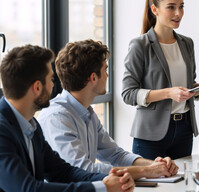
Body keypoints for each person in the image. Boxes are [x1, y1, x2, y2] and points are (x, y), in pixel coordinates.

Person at [0, 44, 134, 192]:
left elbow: (63, 172)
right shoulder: (2, 131)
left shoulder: (31, 126)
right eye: (51, 79)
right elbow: (28, 189)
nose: (53, 85)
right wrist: (102, 187)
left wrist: (112, 180)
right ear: (37, 87)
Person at [38, 40, 178, 180]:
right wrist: (145, 171)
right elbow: (82, 169)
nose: (107, 75)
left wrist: (156, 166)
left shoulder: (88, 113)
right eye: (105, 70)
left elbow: (115, 154)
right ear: (93, 77)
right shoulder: (57, 117)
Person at [121, 0, 199, 160]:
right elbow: (128, 94)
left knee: (182, 185)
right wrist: (168, 93)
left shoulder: (187, 43)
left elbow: (186, 88)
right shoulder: (140, 45)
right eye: (171, 7)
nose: (178, 13)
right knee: (150, 187)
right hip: (150, 134)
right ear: (155, 9)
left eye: (181, 7)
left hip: (184, 130)